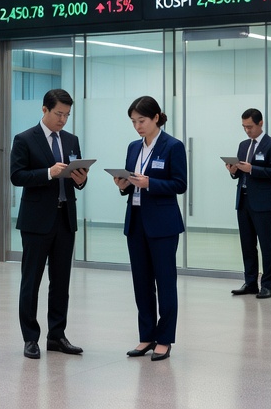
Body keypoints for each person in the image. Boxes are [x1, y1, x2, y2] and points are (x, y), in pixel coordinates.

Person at [10, 88, 87, 359]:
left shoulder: (71, 139)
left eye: (67, 115)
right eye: (58, 114)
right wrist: (47, 173)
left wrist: (80, 179)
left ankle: (57, 335)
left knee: (61, 282)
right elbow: (16, 176)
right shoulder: (24, 139)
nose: (63, 120)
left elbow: (79, 174)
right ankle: (31, 338)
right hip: (36, 221)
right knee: (31, 281)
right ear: (44, 110)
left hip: (65, 218)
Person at [113, 96, 186, 362]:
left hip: (163, 225)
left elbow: (180, 184)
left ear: (156, 117)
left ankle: (164, 339)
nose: (137, 126)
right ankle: (146, 336)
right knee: (141, 283)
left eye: (141, 121)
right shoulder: (133, 147)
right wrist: (125, 186)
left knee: (165, 282)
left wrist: (150, 184)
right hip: (136, 221)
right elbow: (132, 182)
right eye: (133, 122)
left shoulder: (172, 146)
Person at [225, 108, 271, 298]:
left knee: (266, 244)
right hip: (243, 200)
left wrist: (252, 169)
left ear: (260, 123)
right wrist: (234, 170)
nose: (247, 131)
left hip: (263, 203)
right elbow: (239, 173)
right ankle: (250, 282)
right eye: (244, 127)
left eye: (250, 127)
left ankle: (266, 285)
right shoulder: (243, 145)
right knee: (247, 244)